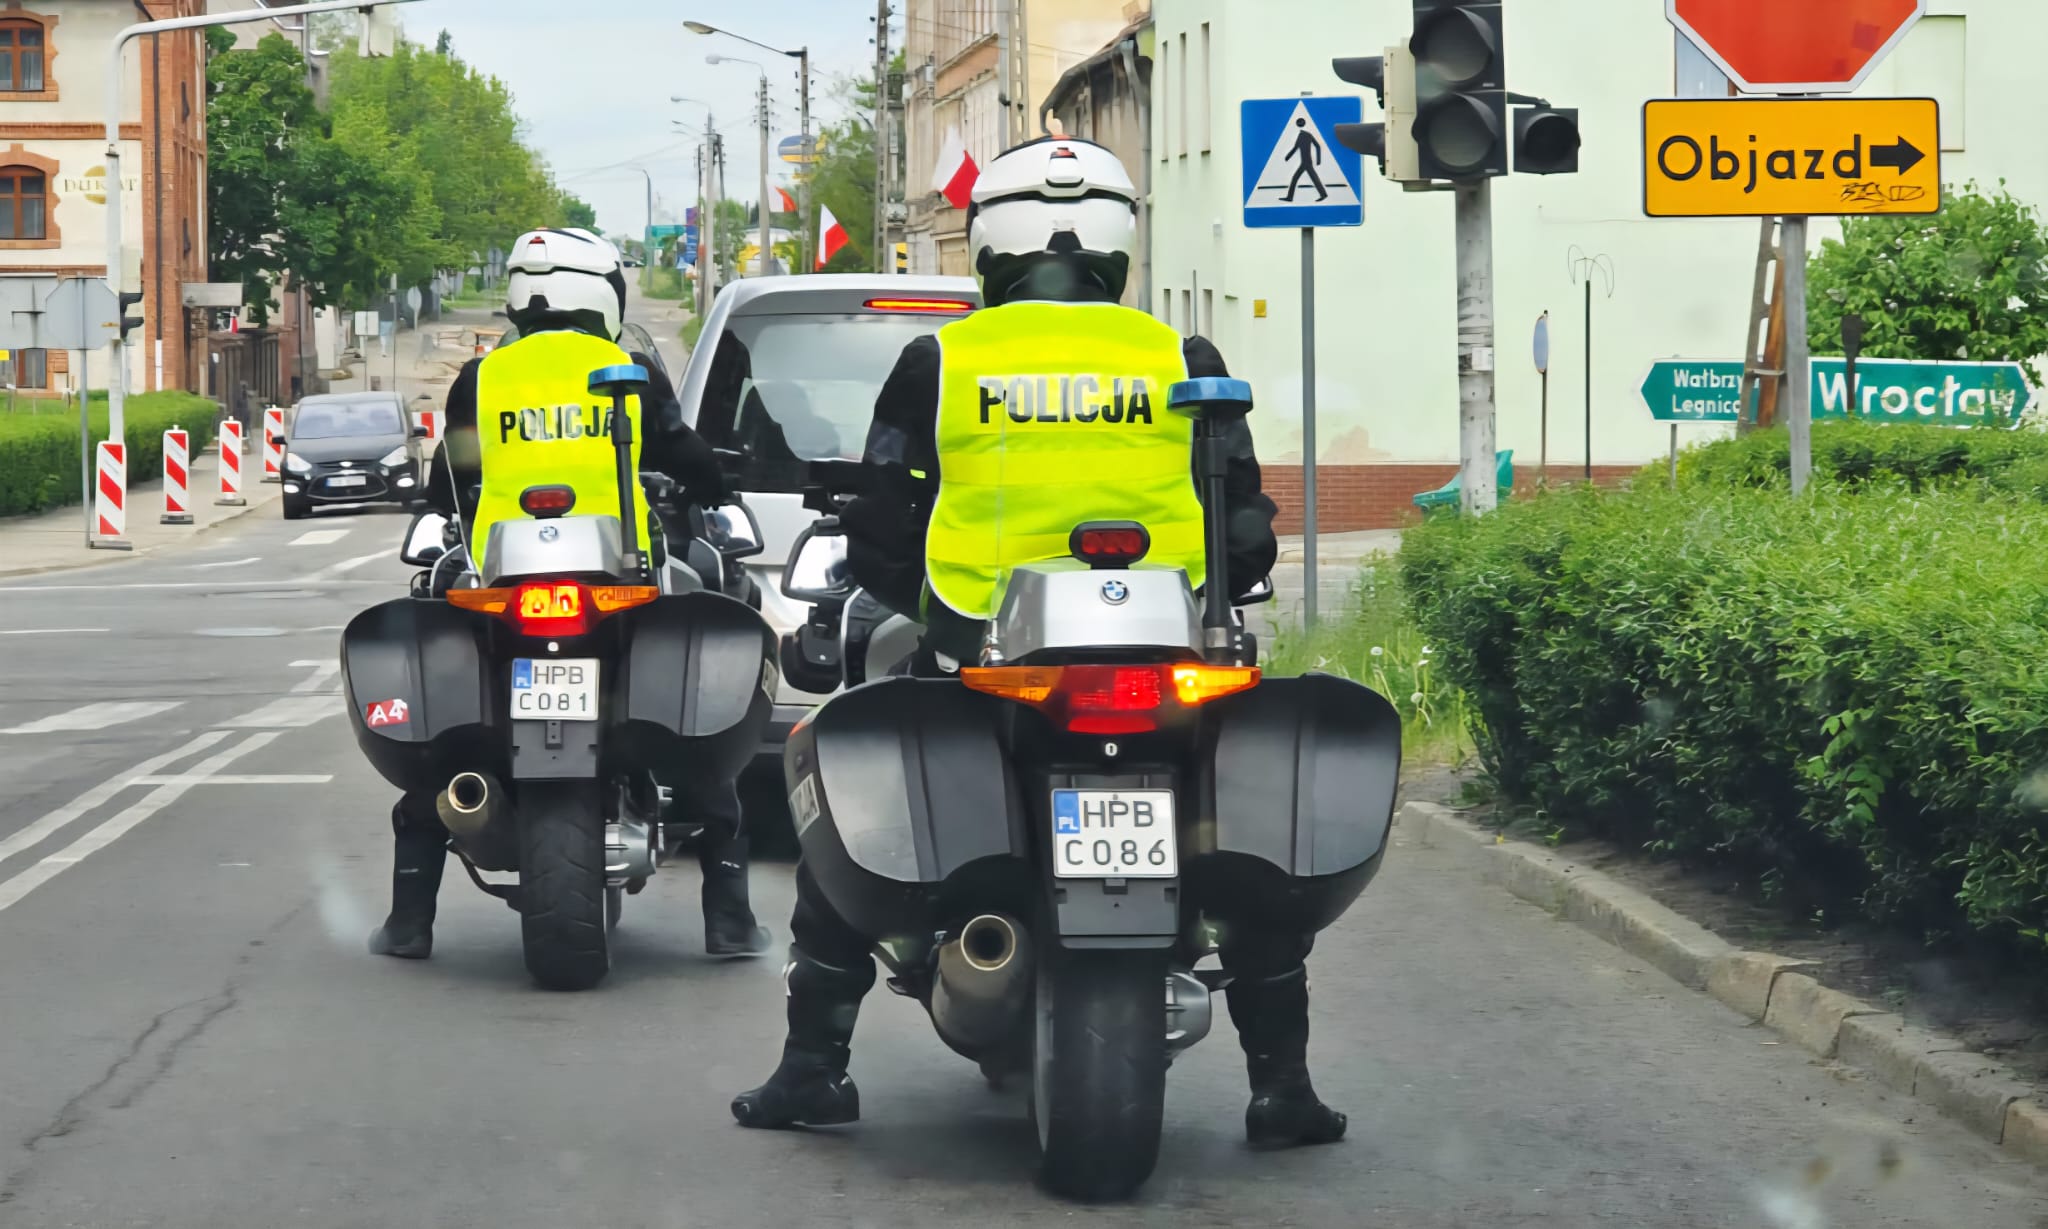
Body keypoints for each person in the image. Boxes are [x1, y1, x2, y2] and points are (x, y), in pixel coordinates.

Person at [731, 138, 1343, 1150]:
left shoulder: (945, 360)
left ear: (990, 246)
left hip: (982, 648)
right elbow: (1242, 521)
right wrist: (1220, 591)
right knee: (1241, 850)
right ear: (1117, 247)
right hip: (1165, 649)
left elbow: (883, 516)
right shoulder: (1180, 358)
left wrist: (926, 610)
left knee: (853, 811)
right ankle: (1282, 1087)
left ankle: (812, 1065)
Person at [368, 227, 771, 962]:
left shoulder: (483, 377)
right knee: (701, 743)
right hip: (619, 573)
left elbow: (455, 472)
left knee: (447, 744)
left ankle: (409, 918)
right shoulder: (627, 369)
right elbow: (680, 451)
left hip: (502, 577)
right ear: (602, 293)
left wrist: (441, 523)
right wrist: (717, 488)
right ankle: (729, 914)